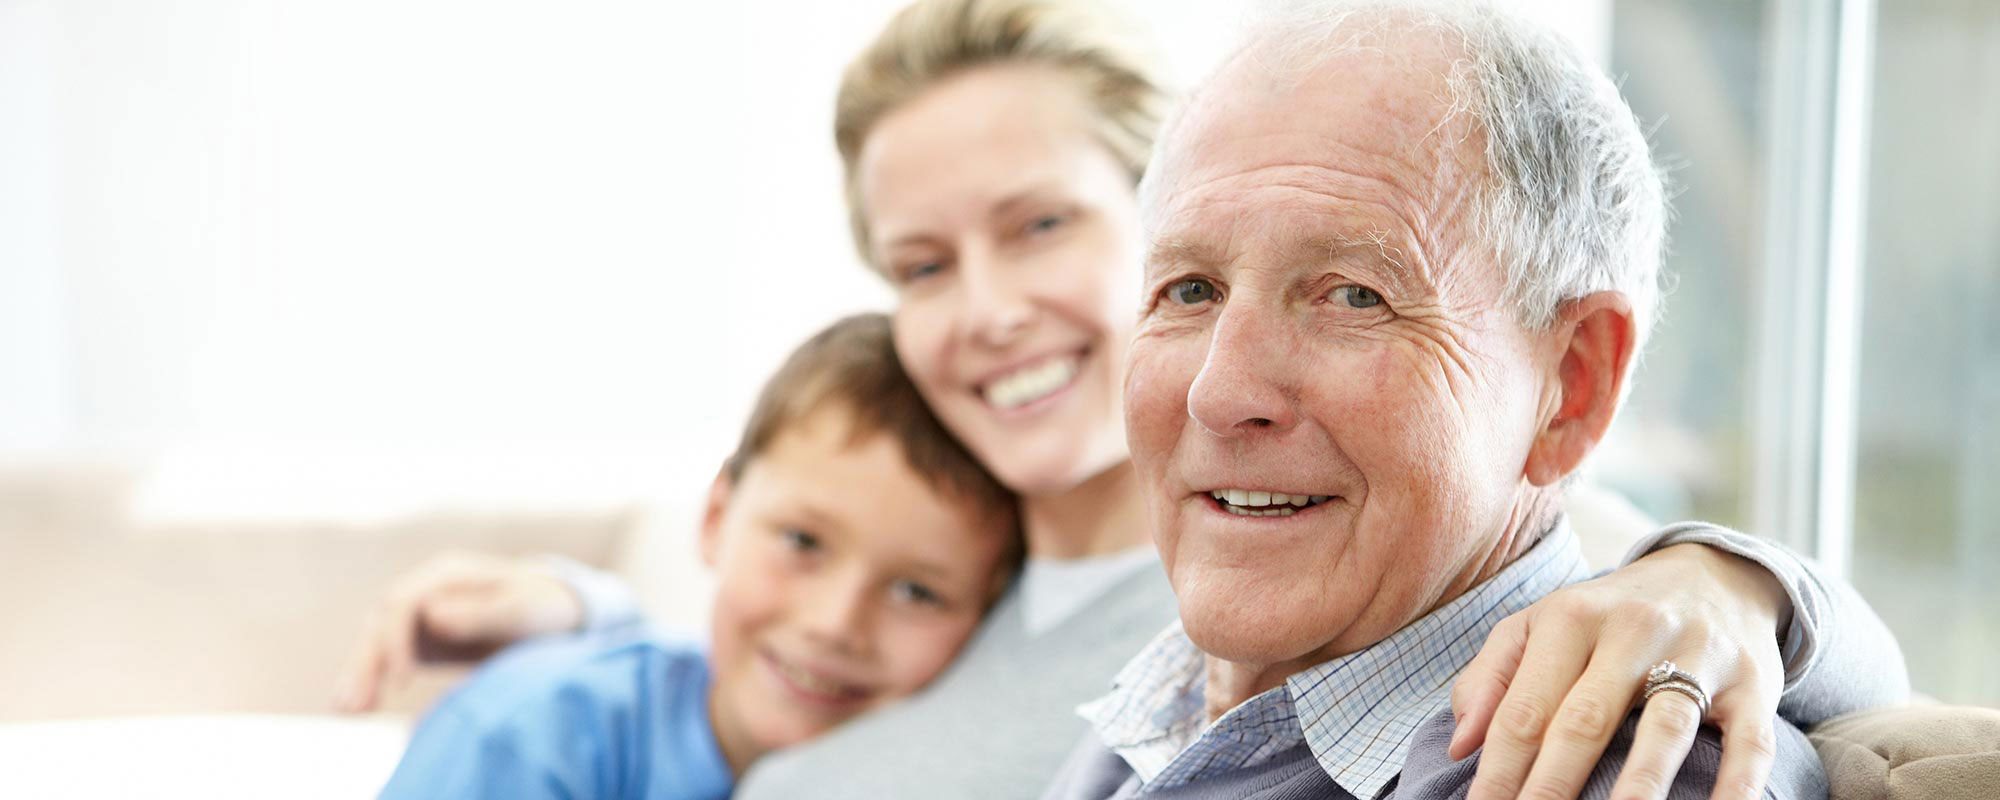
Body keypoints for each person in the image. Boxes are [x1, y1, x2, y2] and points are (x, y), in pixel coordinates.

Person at [338, 1, 1907, 797]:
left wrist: (1740, 585)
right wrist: (590, 611)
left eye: (1037, 228)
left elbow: (1626, 582)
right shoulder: (980, 577)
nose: (987, 313)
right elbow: (764, 653)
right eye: (921, 265)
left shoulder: (1387, 595)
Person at [1038, 1, 1889, 798]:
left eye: (1355, 295)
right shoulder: (1168, 700)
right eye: (1189, 290)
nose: (1218, 392)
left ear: (1572, 386)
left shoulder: (1630, 769)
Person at [374, 313, 1022, 799]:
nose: (834, 623)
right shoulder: (525, 738)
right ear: (716, 517)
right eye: (802, 542)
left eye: (916, 592)